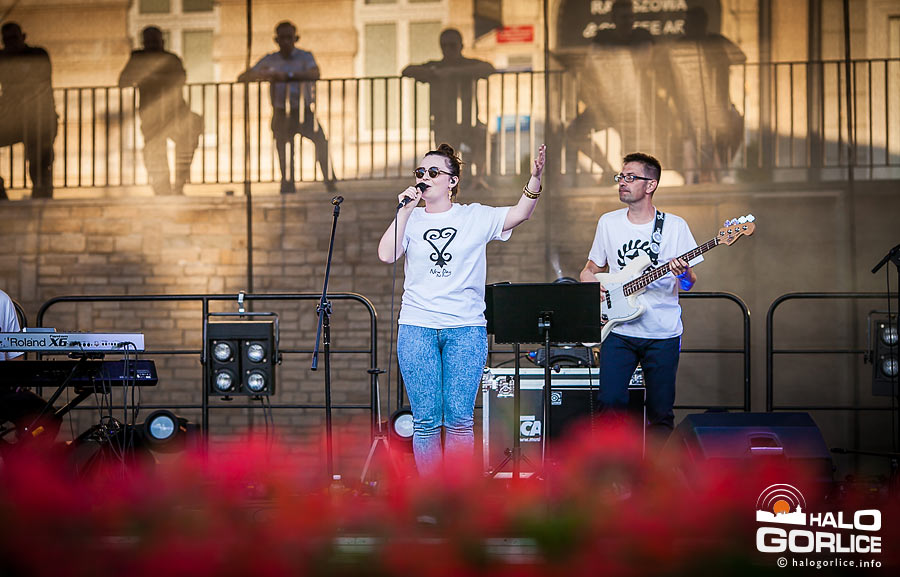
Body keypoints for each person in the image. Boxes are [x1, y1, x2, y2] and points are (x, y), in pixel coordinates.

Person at [378, 143, 546, 476]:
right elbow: (387, 255)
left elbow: (520, 213)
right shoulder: (411, 218)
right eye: (420, 172)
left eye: (433, 172)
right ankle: (431, 496)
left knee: (458, 420)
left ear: (452, 181)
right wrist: (404, 211)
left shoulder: (474, 216)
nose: (425, 178)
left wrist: (535, 178)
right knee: (425, 420)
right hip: (417, 327)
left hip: (465, 329)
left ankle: (457, 495)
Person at [579, 152, 700, 440]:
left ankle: (655, 469)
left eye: (630, 177)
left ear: (650, 185)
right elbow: (590, 268)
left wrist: (683, 272)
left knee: (660, 411)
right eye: (621, 177)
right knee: (609, 403)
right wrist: (589, 280)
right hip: (619, 329)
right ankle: (611, 466)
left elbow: (688, 284)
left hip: (663, 332)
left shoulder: (675, 226)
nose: (622, 182)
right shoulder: (608, 222)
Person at [238, 21, 335, 194]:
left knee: (321, 142)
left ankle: (329, 180)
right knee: (284, 149)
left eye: (289, 38)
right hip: (281, 111)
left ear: (295, 38)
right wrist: (264, 74)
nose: (285, 42)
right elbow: (243, 76)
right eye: (282, 38)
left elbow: (315, 73)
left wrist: (288, 76)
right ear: (276, 40)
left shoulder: (305, 57)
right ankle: (287, 184)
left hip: (303, 110)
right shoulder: (270, 59)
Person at [119, 26, 203, 196]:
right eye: (150, 41)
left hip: (175, 112)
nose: (153, 45)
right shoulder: (139, 59)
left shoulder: (170, 59)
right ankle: (162, 188)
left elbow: (180, 79)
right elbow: (123, 81)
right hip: (152, 114)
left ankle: (178, 185)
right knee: (155, 151)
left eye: (155, 41)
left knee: (186, 141)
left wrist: (150, 76)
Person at [402, 29, 495, 181]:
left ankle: (478, 180)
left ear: (461, 46)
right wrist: (433, 73)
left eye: (452, 45)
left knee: (479, 143)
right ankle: (450, 185)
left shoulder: (468, 64)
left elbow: (489, 68)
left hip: (468, 119)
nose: (448, 49)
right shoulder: (436, 66)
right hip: (443, 121)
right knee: (445, 160)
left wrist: (453, 73)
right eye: (444, 45)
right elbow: (407, 70)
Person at [0, 22, 57, 199]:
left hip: (39, 120)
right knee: (39, 163)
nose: (11, 43)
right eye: (7, 40)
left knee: (39, 164)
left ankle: (42, 197)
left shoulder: (37, 55)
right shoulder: (4, 58)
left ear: (23, 37)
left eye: (13, 38)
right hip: (15, 119)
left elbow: (38, 83)